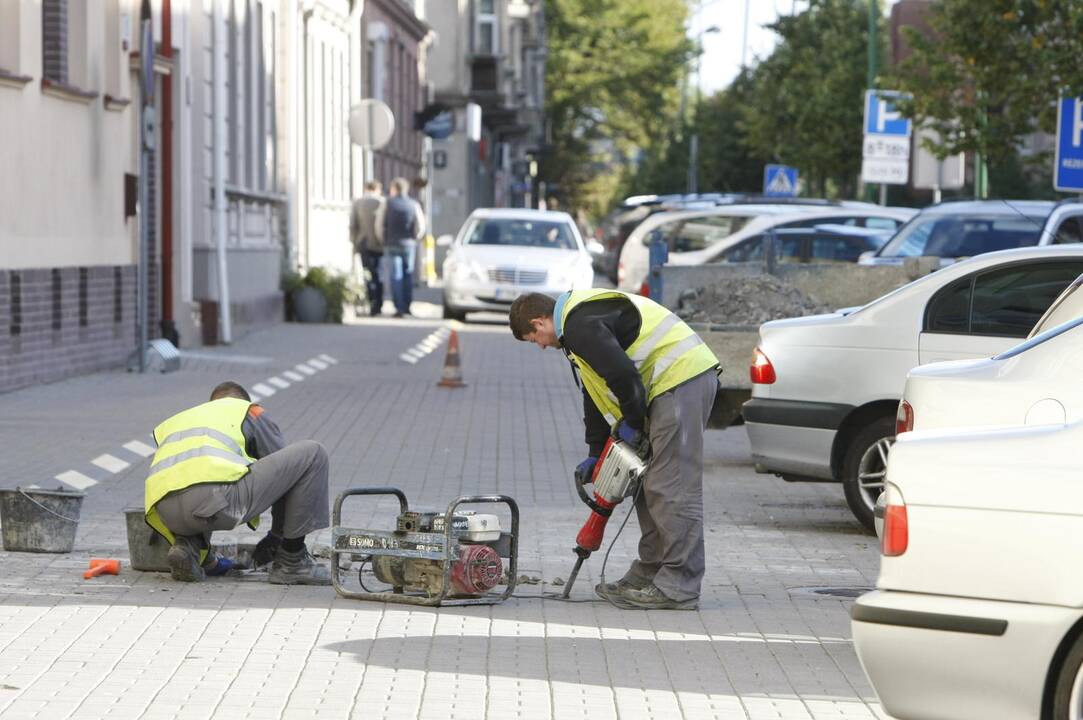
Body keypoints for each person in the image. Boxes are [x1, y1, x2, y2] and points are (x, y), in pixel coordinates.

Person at [509, 290, 720, 610]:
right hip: (665, 387)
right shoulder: (574, 331)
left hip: (680, 380)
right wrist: (596, 451)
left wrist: (633, 423)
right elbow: (595, 390)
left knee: (671, 485)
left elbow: (623, 376)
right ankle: (651, 572)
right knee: (648, 486)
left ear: (539, 322)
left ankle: (679, 585)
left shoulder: (579, 325)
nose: (539, 345)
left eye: (534, 337)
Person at [144, 381, 331, 585]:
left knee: (203, 481)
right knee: (313, 454)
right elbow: (286, 477)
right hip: (212, 502)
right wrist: (278, 538)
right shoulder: (249, 411)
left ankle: (188, 548)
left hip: (164, 513)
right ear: (243, 401)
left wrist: (216, 565)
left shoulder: (184, 419)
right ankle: (292, 563)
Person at [375, 177, 426, 317]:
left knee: (395, 275)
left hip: (391, 244)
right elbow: (420, 226)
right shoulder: (413, 204)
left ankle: (399, 307)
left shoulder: (387, 203)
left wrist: (383, 239)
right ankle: (407, 305)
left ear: (394, 189)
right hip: (408, 245)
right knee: (408, 274)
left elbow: (379, 224)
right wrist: (414, 238)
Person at [351, 180, 385, 316]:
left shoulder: (358, 202)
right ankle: (379, 303)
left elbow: (353, 224)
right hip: (379, 243)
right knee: (379, 274)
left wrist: (354, 242)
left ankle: (371, 302)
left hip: (363, 242)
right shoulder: (382, 202)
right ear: (378, 189)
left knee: (368, 274)